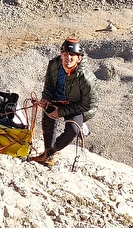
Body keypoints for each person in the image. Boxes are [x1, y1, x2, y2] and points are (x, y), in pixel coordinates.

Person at [30, 37, 98, 166]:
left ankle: (51, 151)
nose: (68, 58)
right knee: (47, 118)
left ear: (79, 58)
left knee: (73, 129)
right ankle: (47, 154)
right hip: (57, 100)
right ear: (61, 55)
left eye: (72, 55)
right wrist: (46, 99)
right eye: (66, 54)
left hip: (77, 105)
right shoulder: (54, 65)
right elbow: (49, 86)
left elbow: (88, 105)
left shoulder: (86, 78)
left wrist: (61, 112)